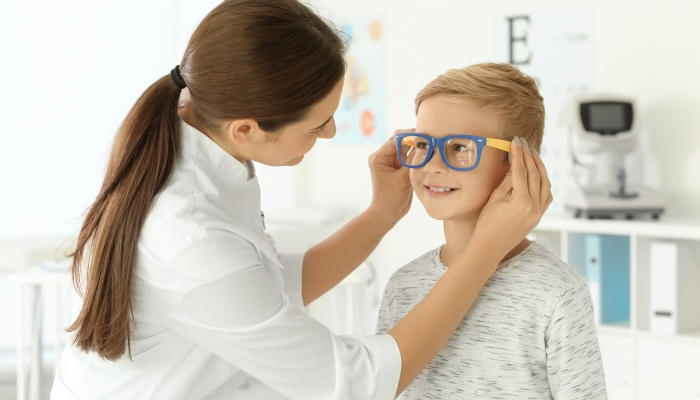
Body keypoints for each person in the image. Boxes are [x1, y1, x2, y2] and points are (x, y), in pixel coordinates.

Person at [51, 2, 552, 399]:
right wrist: (487, 248)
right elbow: (356, 383)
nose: (332, 132)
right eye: (316, 126)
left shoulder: (202, 139)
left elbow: (262, 285)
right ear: (246, 130)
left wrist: (382, 214)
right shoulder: (190, 239)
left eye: (461, 148)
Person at [376, 63, 607, 399]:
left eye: (459, 147)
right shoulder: (403, 285)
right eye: (423, 144)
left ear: (517, 163)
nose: (432, 165)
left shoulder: (557, 293)